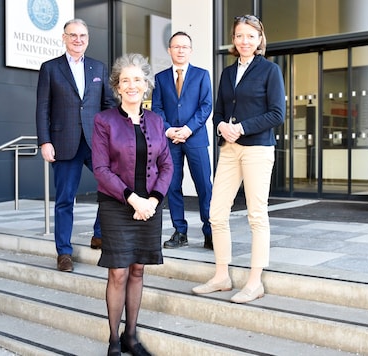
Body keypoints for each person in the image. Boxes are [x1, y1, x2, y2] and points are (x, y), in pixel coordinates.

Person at [191, 15, 285, 304]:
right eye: (239, 36)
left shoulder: (270, 71)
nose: (244, 41)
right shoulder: (227, 73)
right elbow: (218, 111)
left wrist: (241, 127)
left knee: (256, 215)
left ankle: (254, 282)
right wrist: (221, 126)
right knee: (216, 213)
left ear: (259, 39)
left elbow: (277, 114)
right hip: (229, 150)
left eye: (250, 36)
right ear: (234, 40)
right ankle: (222, 276)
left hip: (257, 148)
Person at [92, 53, 173, 356]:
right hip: (117, 204)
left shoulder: (156, 121)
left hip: (149, 207)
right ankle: (114, 340)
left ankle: (132, 337)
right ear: (117, 86)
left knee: (138, 269)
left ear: (146, 85)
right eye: (125, 80)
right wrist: (132, 198)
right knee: (118, 272)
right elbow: (100, 169)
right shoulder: (104, 121)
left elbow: (167, 166)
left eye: (137, 79)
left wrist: (153, 200)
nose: (131, 85)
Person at [35, 18, 116, 272]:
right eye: (73, 35)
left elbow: (108, 106)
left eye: (82, 35)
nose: (78, 39)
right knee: (64, 199)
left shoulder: (98, 68)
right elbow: (43, 108)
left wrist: (114, 137)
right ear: (64, 37)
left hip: (96, 143)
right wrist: (44, 141)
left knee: (112, 190)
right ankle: (64, 252)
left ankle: (99, 234)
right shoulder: (50, 68)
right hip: (63, 143)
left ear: (88, 39)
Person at [151, 31, 214, 250]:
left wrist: (187, 129)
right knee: (172, 186)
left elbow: (206, 106)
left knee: (205, 186)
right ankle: (180, 232)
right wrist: (168, 131)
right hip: (169, 142)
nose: (180, 50)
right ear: (169, 50)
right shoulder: (160, 78)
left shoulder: (202, 75)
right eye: (176, 46)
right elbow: (157, 108)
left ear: (190, 50)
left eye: (184, 47)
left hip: (195, 138)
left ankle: (210, 232)